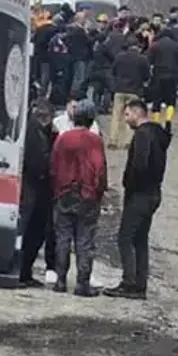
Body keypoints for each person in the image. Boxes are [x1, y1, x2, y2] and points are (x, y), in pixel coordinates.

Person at [104, 99, 171, 300]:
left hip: (140, 194)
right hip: (154, 193)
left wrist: (130, 184)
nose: (125, 120)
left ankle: (129, 282)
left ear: (136, 113)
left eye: (127, 115)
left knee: (125, 237)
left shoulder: (142, 135)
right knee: (140, 239)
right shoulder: (158, 134)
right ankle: (140, 284)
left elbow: (140, 165)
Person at [49, 100, 108, 297]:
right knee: (85, 240)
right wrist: (99, 192)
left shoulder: (63, 139)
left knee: (62, 237)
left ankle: (60, 280)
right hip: (87, 195)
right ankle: (82, 284)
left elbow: (53, 166)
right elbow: (100, 169)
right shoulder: (95, 141)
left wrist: (56, 190)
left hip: (64, 193)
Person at [19, 99, 58, 288]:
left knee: (33, 232)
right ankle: (23, 272)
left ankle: (24, 271)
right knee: (33, 232)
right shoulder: (36, 133)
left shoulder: (35, 130)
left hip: (34, 189)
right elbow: (38, 162)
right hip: (35, 189)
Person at [109, 42, 150, 150]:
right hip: (134, 91)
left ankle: (113, 141)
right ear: (139, 48)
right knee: (132, 116)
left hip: (119, 90)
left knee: (116, 116)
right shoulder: (142, 59)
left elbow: (113, 72)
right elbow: (146, 76)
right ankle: (128, 142)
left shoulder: (119, 57)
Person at [149, 28, 178, 122]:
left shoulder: (155, 45)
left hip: (158, 75)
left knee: (157, 99)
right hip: (173, 76)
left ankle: (156, 121)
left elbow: (150, 62)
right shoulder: (176, 46)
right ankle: (168, 120)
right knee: (171, 100)